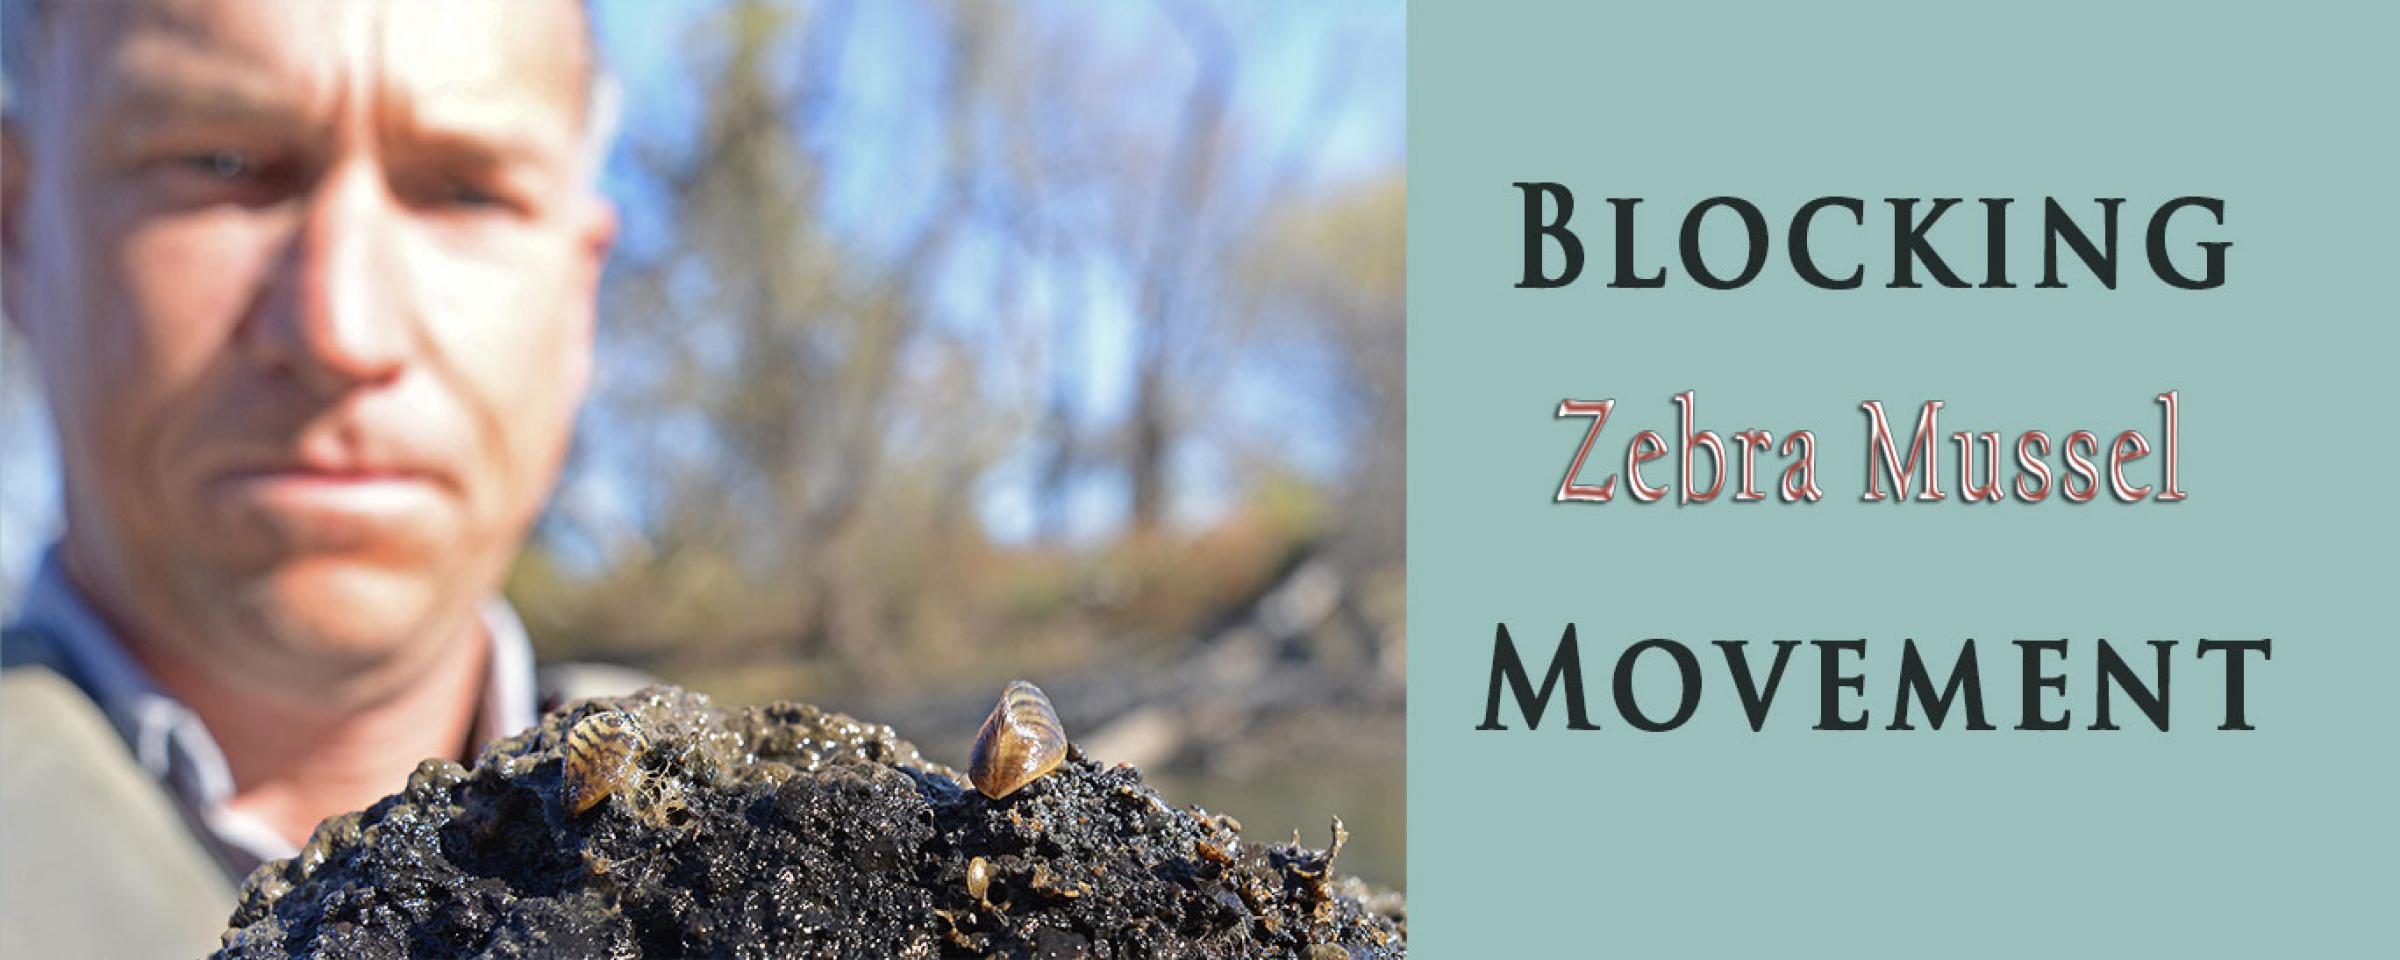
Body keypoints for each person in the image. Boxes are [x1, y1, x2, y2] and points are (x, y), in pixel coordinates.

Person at [0, 1, 646, 953]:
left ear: (580, 293)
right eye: (223, 163)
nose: (341, 331)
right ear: (15, 229)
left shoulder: (876, 859)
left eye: (465, 191)